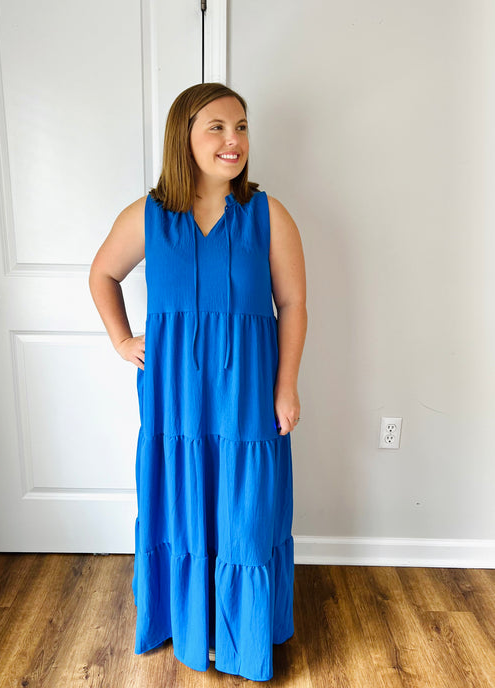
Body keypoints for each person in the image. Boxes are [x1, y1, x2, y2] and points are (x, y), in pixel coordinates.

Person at [89, 82, 307, 682]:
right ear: (182, 136)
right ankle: (188, 624)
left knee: (245, 511)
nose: (233, 140)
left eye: (241, 127)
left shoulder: (268, 215)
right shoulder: (149, 216)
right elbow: (102, 274)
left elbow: (292, 305)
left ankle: (243, 633)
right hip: (175, 401)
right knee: (180, 505)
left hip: (247, 397)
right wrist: (122, 341)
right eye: (217, 127)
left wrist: (286, 386)